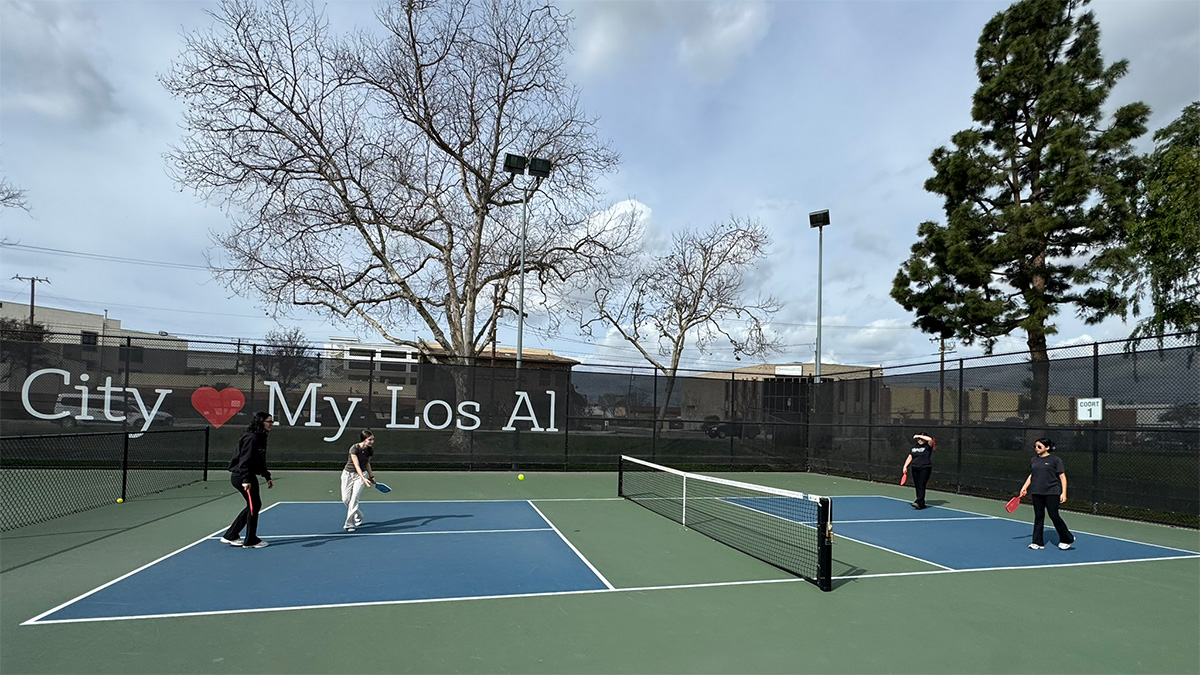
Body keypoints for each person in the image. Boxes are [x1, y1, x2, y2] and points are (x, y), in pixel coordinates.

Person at [221, 412, 275, 549]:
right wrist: (246, 479)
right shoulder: (251, 438)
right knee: (254, 506)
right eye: (269, 422)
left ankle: (231, 535)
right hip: (242, 477)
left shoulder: (260, 437)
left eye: (272, 422)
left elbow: (259, 460)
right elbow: (244, 460)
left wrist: (267, 476)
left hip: (248, 476)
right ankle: (250, 540)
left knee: (254, 505)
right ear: (261, 422)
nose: (271, 424)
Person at [1019, 438, 1075, 550]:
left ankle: (1067, 539)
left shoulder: (1055, 460)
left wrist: (1064, 493)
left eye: (1039, 446)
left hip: (1052, 492)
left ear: (1047, 447)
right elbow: (1032, 474)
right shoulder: (1034, 460)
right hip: (1036, 491)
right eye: (1035, 446)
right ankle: (1037, 542)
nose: (1036, 449)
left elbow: (1062, 477)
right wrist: (1024, 488)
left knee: (1053, 515)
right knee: (1039, 516)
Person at [340, 430, 375, 532]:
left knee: (354, 499)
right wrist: (364, 479)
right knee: (345, 499)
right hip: (348, 474)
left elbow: (367, 463)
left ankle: (349, 524)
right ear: (364, 439)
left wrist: (371, 476)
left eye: (373, 439)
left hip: (361, 475)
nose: (372, 441)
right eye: (370, 439)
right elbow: (356, 465)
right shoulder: (354, 449)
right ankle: (358, 515)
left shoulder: (370, 450)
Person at [901, 433, 936, 509]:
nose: (920, 440)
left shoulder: (928, 446)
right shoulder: (914, 447)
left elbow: (930, 439)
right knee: (917, 485)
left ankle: (919, 502)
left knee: (921, 484)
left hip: (925, 468)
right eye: (918, 439)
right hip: (915, 468)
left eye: (921, 439)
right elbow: (910, 456)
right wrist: (905, 466)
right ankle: (921, 503)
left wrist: (919, 436)